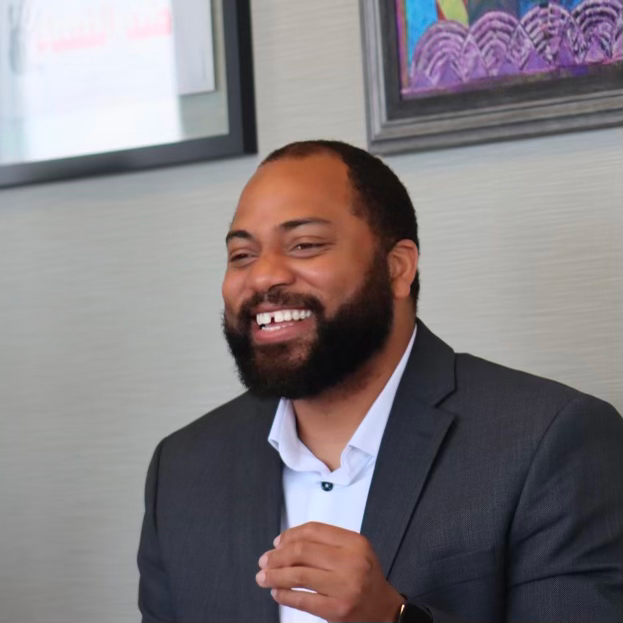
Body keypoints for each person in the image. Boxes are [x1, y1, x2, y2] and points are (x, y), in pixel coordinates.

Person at [137, 140, 623, 623]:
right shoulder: (182, 471)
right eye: (241, 255)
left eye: (305, 245)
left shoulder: (550, 441)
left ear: (398, 268)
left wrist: (394, 619)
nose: (262, 277)